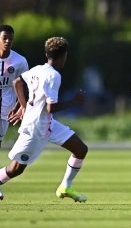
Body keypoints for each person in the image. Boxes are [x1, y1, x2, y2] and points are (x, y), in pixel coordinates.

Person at [0, 37, 88, 202]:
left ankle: (65, 186)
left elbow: (18, 82)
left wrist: (24, 106)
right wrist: (74, 102)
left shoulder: (38, 69)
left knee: (80, 149)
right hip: (35, 128)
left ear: (47, 54)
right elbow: (51, 107)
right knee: (15, 169)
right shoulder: (53, 76)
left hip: (48, 124)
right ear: (63, 56)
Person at [0, 24, 29, 147]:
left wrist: (20, 106)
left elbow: (25, 86)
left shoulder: (20, 61)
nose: (8, 41)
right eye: (4, 38)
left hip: (6, 105)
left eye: (10, 39)